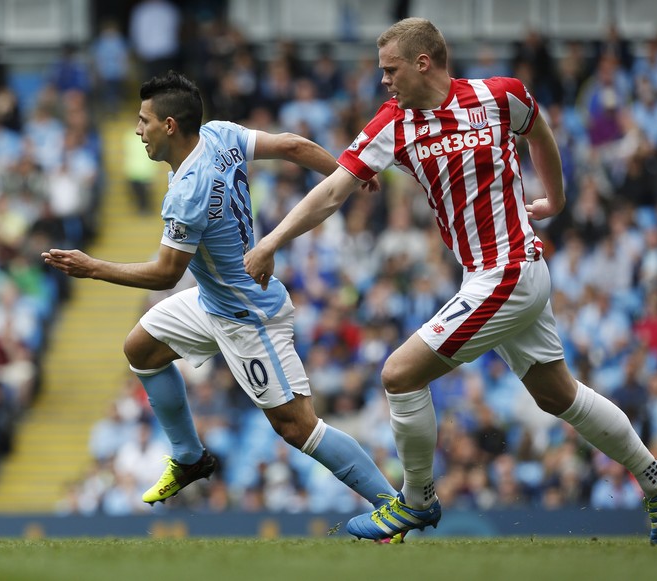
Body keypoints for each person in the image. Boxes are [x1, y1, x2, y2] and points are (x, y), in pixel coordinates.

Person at [243, 18, 657, 545]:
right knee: (557, 394)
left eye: (390, 70)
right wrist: (272, 239)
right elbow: (332, 192)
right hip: (492, 274)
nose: (383, 81)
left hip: (511, 272)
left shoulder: (499, 95)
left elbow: (540, 131)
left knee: (399, 374)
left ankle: (415, 503)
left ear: (423, 62)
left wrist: (557, 200)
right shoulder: (393, 123)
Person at [42, 71, 398, 512]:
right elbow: (292, 145)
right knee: (141, 348)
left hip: (248, 315)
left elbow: (165, 275)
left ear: (169, 126)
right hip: (214, 298)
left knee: (297, 427)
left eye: (143, 121)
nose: (137, 130)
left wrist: (92, 267)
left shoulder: (187, 192)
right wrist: (351, 173)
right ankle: (189, 457)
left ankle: (392, 502)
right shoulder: (219, 134)